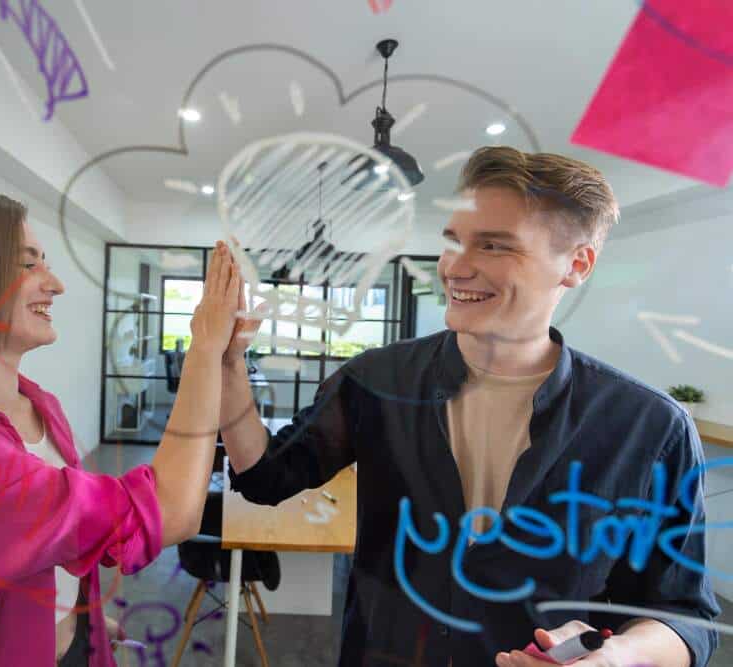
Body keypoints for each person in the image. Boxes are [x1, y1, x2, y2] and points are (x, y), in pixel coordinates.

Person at [218, 147, 720, 666]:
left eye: (495, 246)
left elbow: (683, 615)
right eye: (454, 241)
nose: (456, 267)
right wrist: (229, 362)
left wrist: (617, 659)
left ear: (576, 264)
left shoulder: (650, 428)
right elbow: (263, 476)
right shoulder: (374, 381)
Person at [0, 189, 242, 666]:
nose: (54, 284)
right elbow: (170, 511)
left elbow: (47, 543)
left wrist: (75, 619)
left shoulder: (38, 406)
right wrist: (205, 349)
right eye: (26, 264)